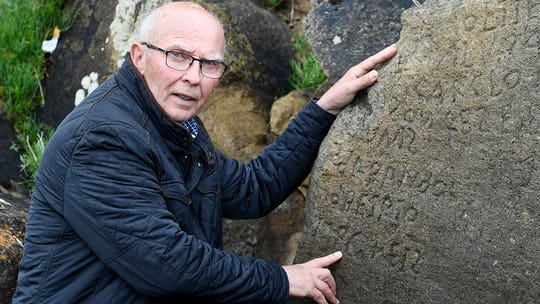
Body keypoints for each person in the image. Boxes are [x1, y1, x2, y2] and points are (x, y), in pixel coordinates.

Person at [12, 2, 397, 303]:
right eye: (177, 55)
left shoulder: (175, 125)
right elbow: (167, 264)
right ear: (138, 56)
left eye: (209, 64)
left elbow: (254, 188)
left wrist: (324, 107)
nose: (193, 77)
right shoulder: (102, 138)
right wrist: (281, 279)